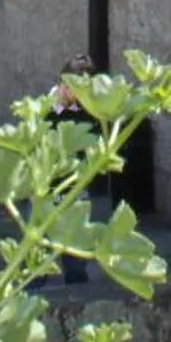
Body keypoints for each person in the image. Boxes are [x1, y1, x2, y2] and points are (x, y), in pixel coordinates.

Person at [48, 53, 98, 284]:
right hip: (44, 190)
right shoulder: (45, 109)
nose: (76, 94)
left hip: (75, 189)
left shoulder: (90, 113)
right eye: (72, 87)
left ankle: (76, 288)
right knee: (37, 257)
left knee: (76, 256)